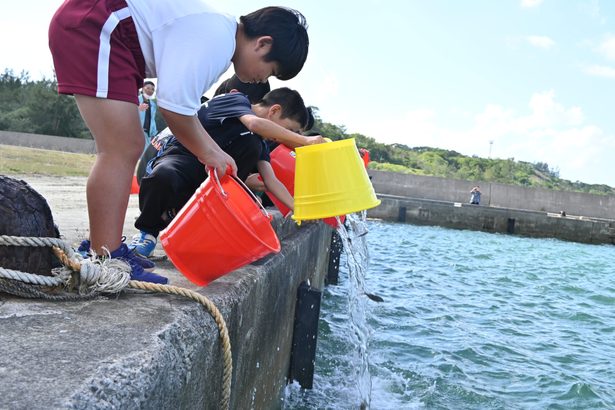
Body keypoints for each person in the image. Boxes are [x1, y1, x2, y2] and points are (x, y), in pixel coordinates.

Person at [48, 2, 310, 283]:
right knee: (121, 148)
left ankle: (106, 249)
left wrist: (211, 152)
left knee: (125, 146)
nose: (263, 78)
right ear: (262, 44)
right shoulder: (217, 40)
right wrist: (211, 153)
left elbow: (180, 107)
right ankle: (106, 257)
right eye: (270, 70)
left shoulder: (217, 33)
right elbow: (174, 107)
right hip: (98, 26)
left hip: (109, 34)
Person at [130, 87, 322, 257]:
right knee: (163, 175)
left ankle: (176, 215)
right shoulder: (235, 100)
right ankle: (148, 232)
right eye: (289, 130)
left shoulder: (259, 142)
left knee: (252, 148)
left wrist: (299, 209)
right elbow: (255, 124)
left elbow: (271, 181)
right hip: (182, 158)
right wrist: (305, 142)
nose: (285, 138)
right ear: (274, 110)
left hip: (209, 178)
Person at [138, 80, 158, 149]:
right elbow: (126, 114)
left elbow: (152, 119)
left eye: (152, 89)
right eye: (148, 88)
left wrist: (154, 133)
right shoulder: (135, 100)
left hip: (147, 134)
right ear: (143, 88)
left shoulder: (153, 105)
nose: (150, 90)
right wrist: (138, 109)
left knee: (144, 157)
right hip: (135, 131)